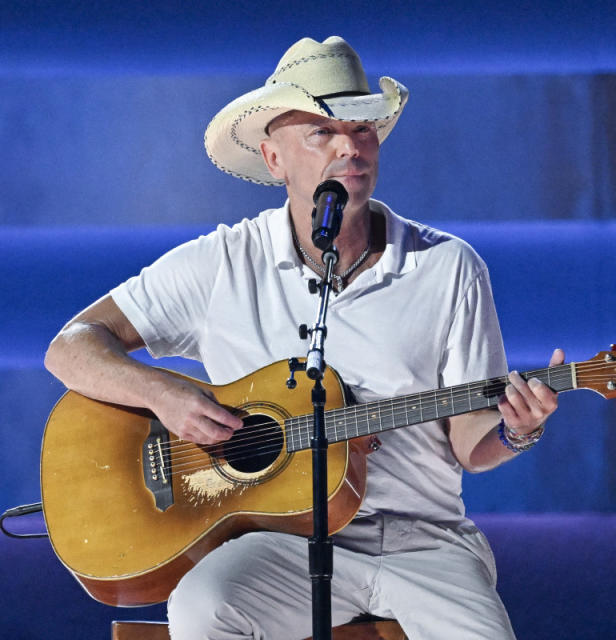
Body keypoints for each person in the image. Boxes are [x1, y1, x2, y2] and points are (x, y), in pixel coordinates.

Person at [45, 35, 563, 640]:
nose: (350, 147)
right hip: (276, 546)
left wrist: (516, 430)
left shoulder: (448, 268)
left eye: (363, 129)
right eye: (322, 132)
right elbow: (72, 345)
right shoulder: (224, 264)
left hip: (423, 541)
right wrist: (162, 395)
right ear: (274, 159)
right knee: (203, 604)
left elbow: (473, 443)